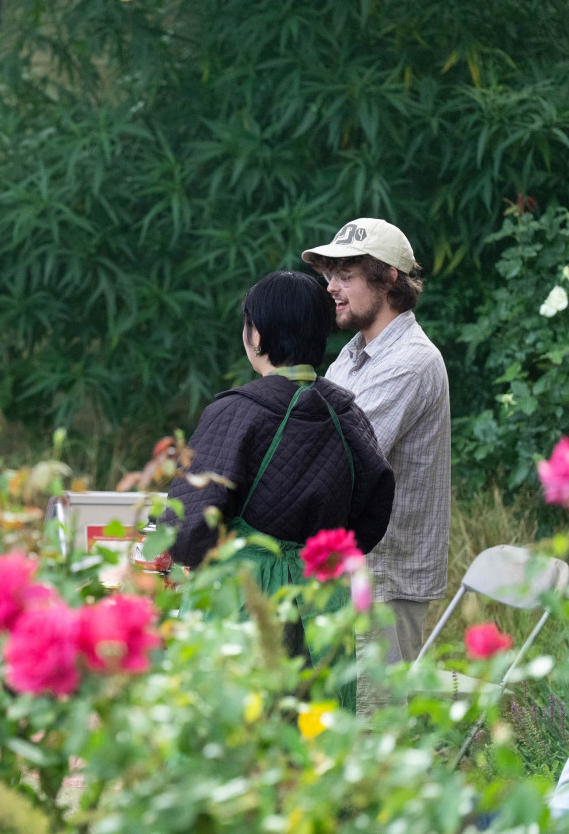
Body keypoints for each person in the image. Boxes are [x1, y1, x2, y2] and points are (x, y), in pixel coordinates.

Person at [161, 271, 395, 697]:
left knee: (241, 733)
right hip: (323, 601)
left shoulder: (236, 412)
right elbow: (375, 507)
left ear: (257, 334)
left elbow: (187, 524)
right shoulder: (348, 416)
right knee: (310, 735)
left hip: (244, 599)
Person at [301, 217, 452, 708]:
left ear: (388, 278)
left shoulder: (410, 360)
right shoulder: (352, 353)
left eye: (345, 273)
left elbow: (337, 459)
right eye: (329, 273)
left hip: (385, 580)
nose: (330, 287)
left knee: (371, 733)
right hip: (352, 573)